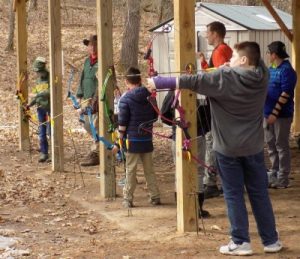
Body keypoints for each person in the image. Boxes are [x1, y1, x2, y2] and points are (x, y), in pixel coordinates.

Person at [148, 41, 282, 255]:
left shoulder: (223, 78)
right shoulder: (262, 76)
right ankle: (271, 241)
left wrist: (156, 81)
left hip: (228, 150)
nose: (228, 62)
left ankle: (241, 242)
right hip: (254, 148)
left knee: (233, 194)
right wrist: (230, 66)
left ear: (244, 60)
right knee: (259, 194)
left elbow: (190, 80)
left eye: (232, 58)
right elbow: (259, 65)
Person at [113, 67, 160, 208]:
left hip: (132, 141)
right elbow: (155, 116)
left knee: (131, 170)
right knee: (149, 170)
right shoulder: (150, 96)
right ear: (140, 80)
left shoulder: (125, 99)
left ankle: (128, 198)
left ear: (127, 81)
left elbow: (122, 123)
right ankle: (155, 196)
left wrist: (118, 140)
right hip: (146, 139)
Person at [197, 21, 232, 198]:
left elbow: (219, 79)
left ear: (216, 34)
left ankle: (210, 181)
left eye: (208, 32)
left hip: (219, 104)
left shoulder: (220, 51)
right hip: (221, 103)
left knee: (212, 140)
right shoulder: (222, 51)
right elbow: (216, 72)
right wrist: (204, 64)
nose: (206, 35)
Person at [160, 90, 210, 218]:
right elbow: (210, 114)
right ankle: (194, 208)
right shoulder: (200, 89)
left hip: (188, 136)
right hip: (192, 136)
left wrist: (176, 125)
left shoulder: (176, 90)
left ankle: (189, 208)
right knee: (196, 172)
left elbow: (164, 114)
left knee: (184, 171)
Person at [264, 41, 297, 188]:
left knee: (281, 145)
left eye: (268, 52)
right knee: (270, 144)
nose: (267, 55)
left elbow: (286, 94)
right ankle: (274, 172)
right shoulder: (271, 68)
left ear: (274, 55)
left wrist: (275, 113)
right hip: (267, 113)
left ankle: (283, 178)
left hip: (281, 116)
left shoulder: (287, 70)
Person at [76, 35, 100, 167]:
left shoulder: (103, 61)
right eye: (89, 45)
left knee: (96, 125)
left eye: (93, 45)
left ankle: (97, 152)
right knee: (86, 124)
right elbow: (82, 78)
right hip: (86, 99)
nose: (91, 47)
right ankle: (101, 146)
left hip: (97, 101)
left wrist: (95, 100)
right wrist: (79, 96)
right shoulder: (87, 61)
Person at [28, 57, 51, 163]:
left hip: (50, 109)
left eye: (38, 71)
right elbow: (35, 95)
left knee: (50, 132)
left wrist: (38, 94)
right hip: (40, 109)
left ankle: (54, 154)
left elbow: (50, 91)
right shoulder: (38, 80)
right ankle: (44, 153)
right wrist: (29, 104)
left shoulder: (50, 77)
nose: (37, 74)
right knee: (42, 132)